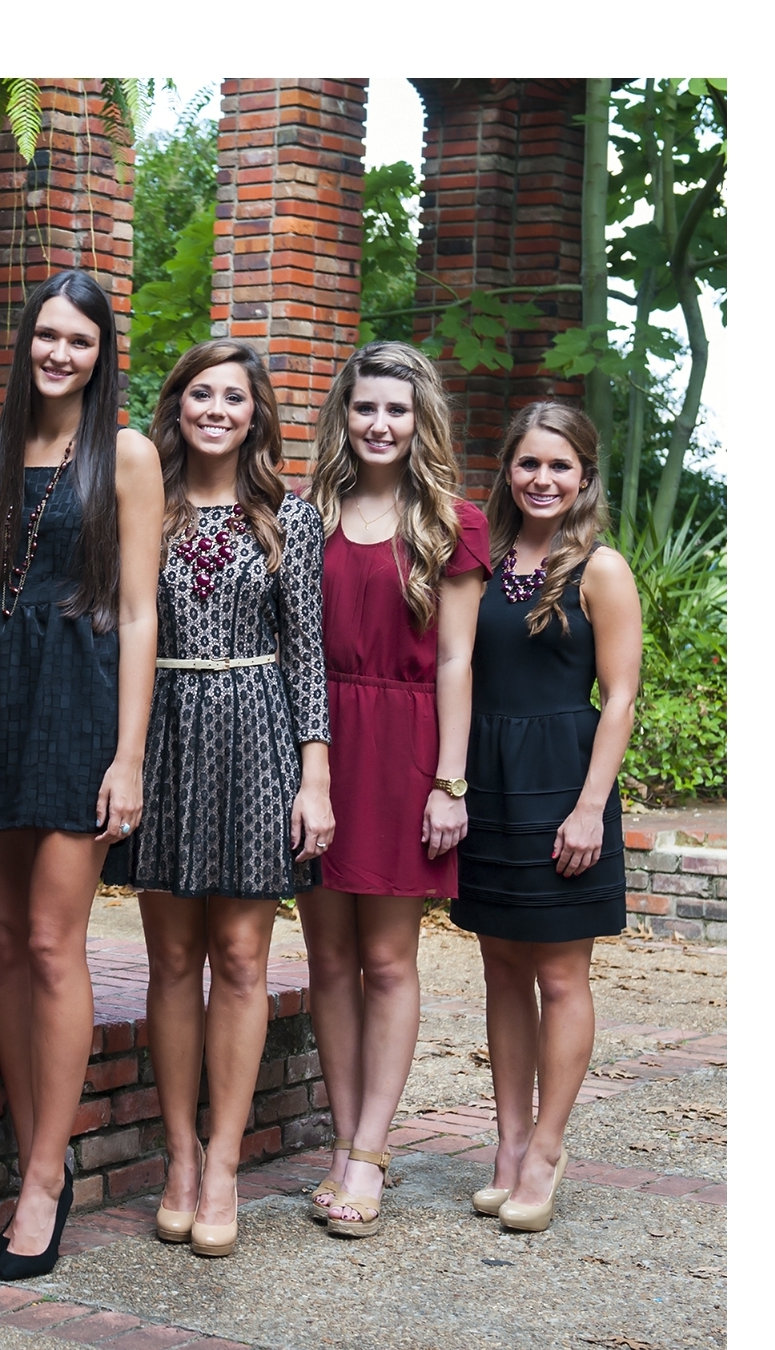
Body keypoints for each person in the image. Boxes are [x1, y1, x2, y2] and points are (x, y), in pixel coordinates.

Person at [0, 273, 162, 1279]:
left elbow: (137, 614)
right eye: (45, 335)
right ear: (24, 341)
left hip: (78, 699)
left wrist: (129, 755)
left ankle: (45, 1177)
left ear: (100, 352)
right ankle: (26, 1145)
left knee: (50, 939)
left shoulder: (124, 455)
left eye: (78, 340)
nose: (58, 354)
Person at [130, 342, 332, 1259]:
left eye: (234, 397)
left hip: (256, 729)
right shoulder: (145, 505)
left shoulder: (289, 517)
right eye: (201, 394)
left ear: (256, 414)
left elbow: (308, 656)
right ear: (177, 407)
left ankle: (222, 1166)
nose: (216, 409)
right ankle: (177, 1155)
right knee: (172, 958)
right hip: (163, 723)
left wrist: (314, 775)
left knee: (243, 956)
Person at [299, 343, 490, 1237]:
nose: (380, 425)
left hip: (405, 748)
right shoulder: (311, 515)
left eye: (397, 411)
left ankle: (372, 1153)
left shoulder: (452, 524)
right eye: (365, 409)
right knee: (328, 961)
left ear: (422, 422)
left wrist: (449, 780)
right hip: (319, 746)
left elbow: (457, 659)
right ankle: (345, 1142)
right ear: (344, 416)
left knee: (386, 960)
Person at [451, 401, 643, 1234]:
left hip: (564, 779)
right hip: (489, 780)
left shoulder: (601, 568)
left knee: (561, 975)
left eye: (560, 465)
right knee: (500, 970)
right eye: (529, 463)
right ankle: (506, 1145)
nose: (542, 479)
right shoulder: (483, 559)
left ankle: (547, 1150)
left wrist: (592, 807)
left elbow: (622, 694)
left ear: (584, 477)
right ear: (508, 470)